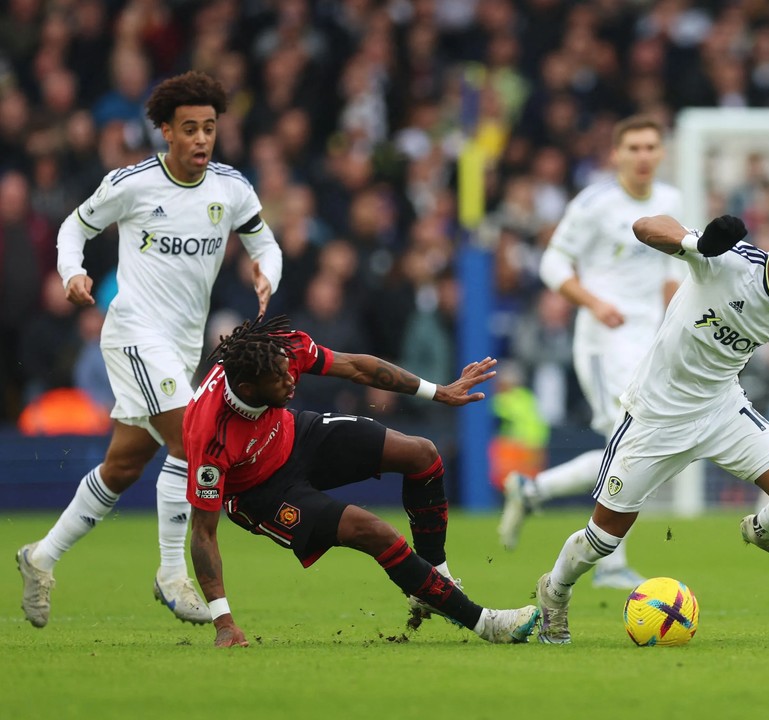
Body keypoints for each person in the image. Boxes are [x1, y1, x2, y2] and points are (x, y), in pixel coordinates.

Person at [16, 71, 283, 629]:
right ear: (165, 131)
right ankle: (170, 573)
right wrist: (72, 272)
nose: (202, 140)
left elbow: (264, 243)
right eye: (189, 129)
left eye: (209, 128)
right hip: (135, 330)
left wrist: (267, 274)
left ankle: (40, 557)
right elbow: (74, 226)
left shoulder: (231, 187)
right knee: (195, 437)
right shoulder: (132, 183)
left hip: (183, 344)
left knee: (125, 464)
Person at [534, 212, 769, 644]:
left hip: (721, 410)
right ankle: (555, 591)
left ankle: (761, 531)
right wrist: (700, 246)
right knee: (602, 540)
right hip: (656, 416)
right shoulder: (726, 261)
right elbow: (644, 226)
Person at [183, 315, 541, 647]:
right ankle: (486, 623)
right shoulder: (209, 434)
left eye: (287, 371)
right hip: (259, 494)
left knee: (422, 454)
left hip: (293, 435)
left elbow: (355, 366)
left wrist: (438, 392)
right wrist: (223, 621)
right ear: (247, 387)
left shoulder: (279, 350)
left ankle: (434, 582)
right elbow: (203, 533)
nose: (290, 379)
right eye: (278, 379)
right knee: (373, 530)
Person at [498, 115, 683, 590]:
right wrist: (595, 303)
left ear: (661, 154)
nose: (643, 156)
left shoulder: (670, 201)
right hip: (603, 340)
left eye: (650, 147)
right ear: (617, 155)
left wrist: (674, 324)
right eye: (633, 148)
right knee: (629, 442)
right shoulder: (596, 203)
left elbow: (670, 273)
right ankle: (613, 565)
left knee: (631, 447)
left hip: (648, 340)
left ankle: (533, 490)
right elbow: (553, 262)